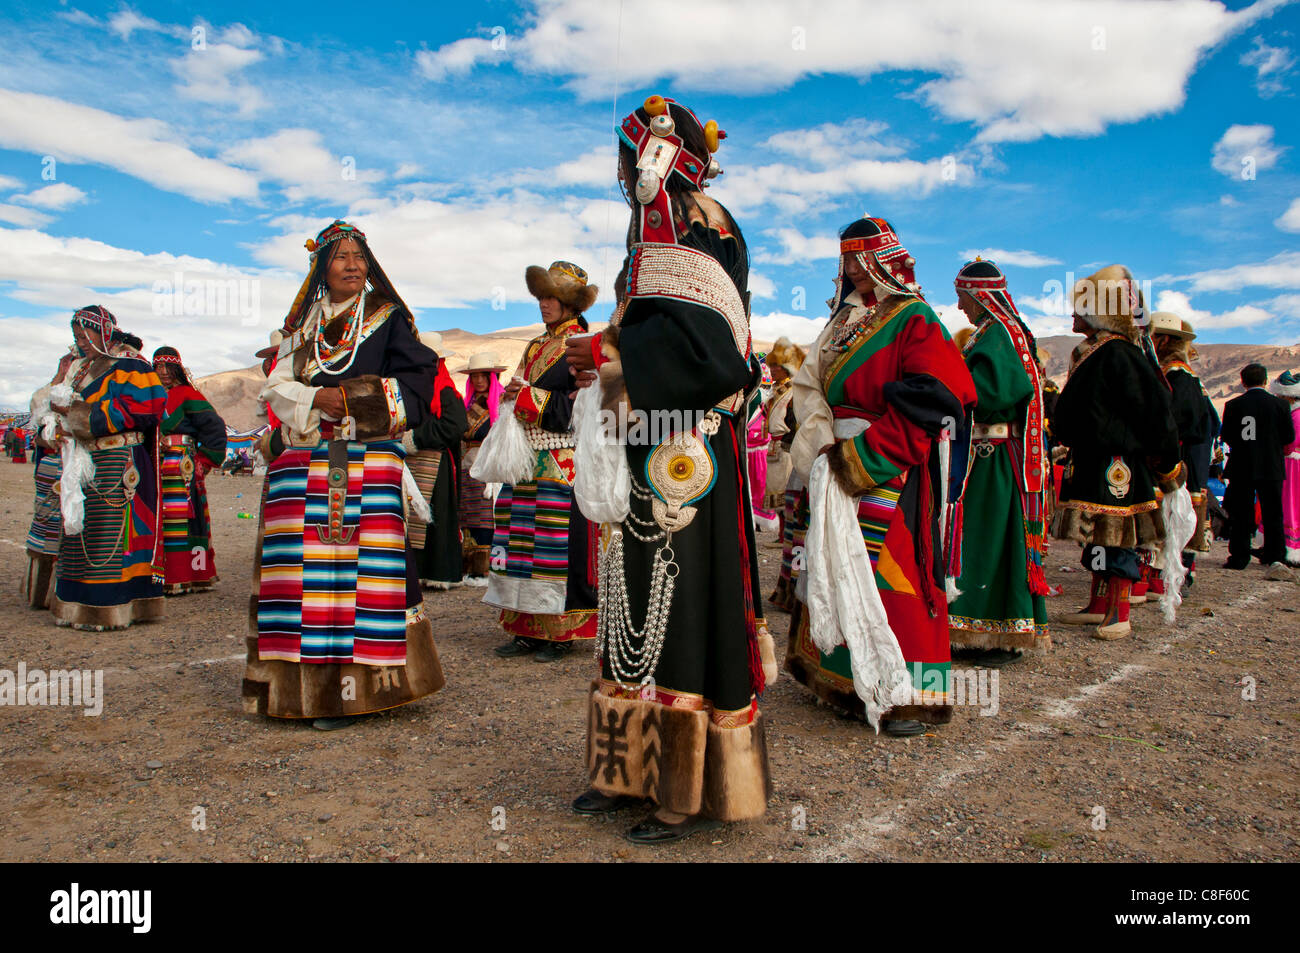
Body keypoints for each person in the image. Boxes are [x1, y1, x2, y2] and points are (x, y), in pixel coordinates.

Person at [565, 95, 773, 843]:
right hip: (643, 438)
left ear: (652, 157)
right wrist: (600, 355)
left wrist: (611, 359)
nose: (626, 174)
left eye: (629, 160)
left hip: (686, 449)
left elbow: (712, 355)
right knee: (630, 599)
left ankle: (682, 789)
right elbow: (649, 330)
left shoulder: (699, 226)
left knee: (681, 608)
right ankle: (625, 768)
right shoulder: (651, 235)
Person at [244, 220, 445, 729]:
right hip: (303, 466)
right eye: (341, 257)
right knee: (300, 583)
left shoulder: (387, 319)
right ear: (321, 266)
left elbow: (420, 385)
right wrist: (317, 398)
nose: (353, 265)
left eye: (360, 256)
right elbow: (277, 386)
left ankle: (357, 696)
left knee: (360, 585)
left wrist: (353, 399)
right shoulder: (301, 328)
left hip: (365, 462)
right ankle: (296, 690)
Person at [787, 216, 977, 735]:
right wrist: (825, 442)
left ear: (881, 260)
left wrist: (865, 457)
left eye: (857, 259)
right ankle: (842, 678)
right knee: (837, 561)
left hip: (887, 459)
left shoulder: (913, 317)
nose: (850, 270)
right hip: (836, 453)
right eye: (845, 260)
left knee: (892, 575)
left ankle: (907, 695)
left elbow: (935, 398)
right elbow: (809, 387)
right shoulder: (842, 321)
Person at [1054, 266, 1183, 640]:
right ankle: (1097, 605)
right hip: (1093, 459)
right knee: (1095, 536)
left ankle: (1119, 610)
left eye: (1079, 309)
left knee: (1116, 537)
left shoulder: (1121, 354)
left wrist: (1167, 463)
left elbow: (1154, 414)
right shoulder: (1094, 351)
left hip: (1118, 466)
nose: (1073, 315)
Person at [484, 261, 599, 662]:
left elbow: (581, 408)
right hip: (526, 458)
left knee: (554, 546)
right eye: (542, 297)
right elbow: (518, 394)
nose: (544, 305)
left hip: (561, 459)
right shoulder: (534, 346)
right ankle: (525, 628)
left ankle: (560, 632)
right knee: (518, 543)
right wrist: (510, 397)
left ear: (571, 305)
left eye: (553, 298)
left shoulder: (584, 345)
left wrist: (526, 398)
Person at [947, 259, 1050, 666]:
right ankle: (982, 628)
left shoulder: (1000, 338)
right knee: (982, 537)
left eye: (962, 299)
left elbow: (994, 395)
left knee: (990, 537)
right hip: (985, 456)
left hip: (993, 458)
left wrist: (951, 387)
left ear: (978, 296)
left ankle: (998, 634)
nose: (960, 309)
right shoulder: (994, 334)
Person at [49, 306, 168, 631]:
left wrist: (77, 413)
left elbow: (148, 407)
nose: (80, 341)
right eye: (75, 336)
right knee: (78, 535)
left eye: (85, 334)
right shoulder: (81, 368)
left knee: (107, 538)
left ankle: (107, 609)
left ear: (104, 331)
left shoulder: (129, 364)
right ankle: (75, 606)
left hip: (116, 460)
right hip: (83, 461)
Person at [1146, 314, 1215, 589]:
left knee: (1173, 516)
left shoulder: (1178, 376)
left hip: (1176, 460)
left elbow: (1179, 421)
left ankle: (1168, 576)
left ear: (1163, 340)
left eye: (1152, 338)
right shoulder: (1180, 375)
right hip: (1181, 457)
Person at [152, 346, 227, 595]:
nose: (162, 372)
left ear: (177, 369)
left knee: (183, 520)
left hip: (181, 465)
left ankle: (188, 575)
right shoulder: (149, 395)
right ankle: (162, 576)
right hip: (155, 465)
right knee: (159, 520)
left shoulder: (188, 395)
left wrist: (205, 460)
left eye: (167, 367)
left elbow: (214, 426)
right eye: (157, 366)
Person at [403, 331, 468, 590]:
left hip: (435, 463)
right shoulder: (411, 388)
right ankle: (416, 572)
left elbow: (456, 424)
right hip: (409, 461)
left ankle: (438, 572)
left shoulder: (446, 391)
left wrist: (417, 437)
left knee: (436, 516)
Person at [1220, 363, 1296, 571]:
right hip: (1270, 465)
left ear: (1243, 382)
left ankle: (1239, 557)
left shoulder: (1233, 405)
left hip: (1241, 465)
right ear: (1265, 381)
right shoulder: (1280, 406)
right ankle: (1275, 555)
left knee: (1240, 512)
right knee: (1273, 512)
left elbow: (1226, 435)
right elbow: (1289, 436)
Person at [23, 352, 77, 609]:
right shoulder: (51, 392)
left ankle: (65, 592)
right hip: (54, 464)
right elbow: (38, 414)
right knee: (48, 523)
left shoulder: (90, 387)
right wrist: (58, 376)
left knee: (74, 526)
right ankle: (43, 593)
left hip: (77, 462)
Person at [457, 351, 508, 585]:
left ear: (491, 377)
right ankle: (470, 567)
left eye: (483, 375)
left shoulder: (501, 404)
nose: (478, 380)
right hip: (467, 468)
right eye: (474, 376)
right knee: (469, 518)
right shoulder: (466, 405)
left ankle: (487, 568)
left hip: (490, 469)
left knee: (488, 519)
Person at [764, 337, 807, 612]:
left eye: (778, 366)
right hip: (787, 451)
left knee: (798, 525)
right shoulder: (783, 391)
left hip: (797, 456)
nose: (774, 370)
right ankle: (788, 590)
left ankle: (795, 592)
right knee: (792, 521)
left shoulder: (796, 394)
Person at [1271, 370, 1300, 565]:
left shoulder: (1295, 417)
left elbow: (1290, 442)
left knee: (1291, 505)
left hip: (1293, 464)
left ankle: (1291, 549)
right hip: (1292, 462)